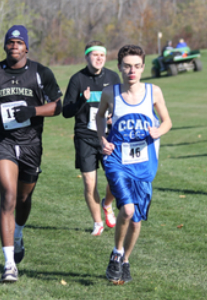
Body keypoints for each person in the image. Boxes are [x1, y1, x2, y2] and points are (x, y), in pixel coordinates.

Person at [0, 25, 62, 282]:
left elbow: (58, 104)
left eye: (18, 42)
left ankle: (19, 234)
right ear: (5, 46)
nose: (14, 46)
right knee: (9, 196)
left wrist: (33, 112)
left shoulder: (40, 73)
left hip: (32, 144)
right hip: (2, 142)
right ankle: (9, 264)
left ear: (26, 47)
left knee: (23, 199)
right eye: (10, 42)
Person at [96, 45, 172, 284]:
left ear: (142, 68)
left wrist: (158, 130)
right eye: (127, 66)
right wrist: (102, 139)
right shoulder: (110, 93)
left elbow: (168, 121)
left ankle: (126, 259)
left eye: (137, 66)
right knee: (126, 210)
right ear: (119, 67)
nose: (132, 71)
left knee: (136, 220)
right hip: (117, 160)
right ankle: (117, 253)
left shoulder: (154, 92)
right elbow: (99, 116)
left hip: (144, 163)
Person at [63, 41, 120, 235]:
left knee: (114, 179)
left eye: (101, 55)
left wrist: (115, 114)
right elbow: (66, 112)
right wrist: (82, 100)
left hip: (108, 137)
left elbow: (123, 103)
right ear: (86, 57)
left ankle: (107, 204)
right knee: (89, 183)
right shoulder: (77, 79)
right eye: (94, 55)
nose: (98, 58)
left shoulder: (113, 77)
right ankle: (98, 223)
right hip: (85, 136)